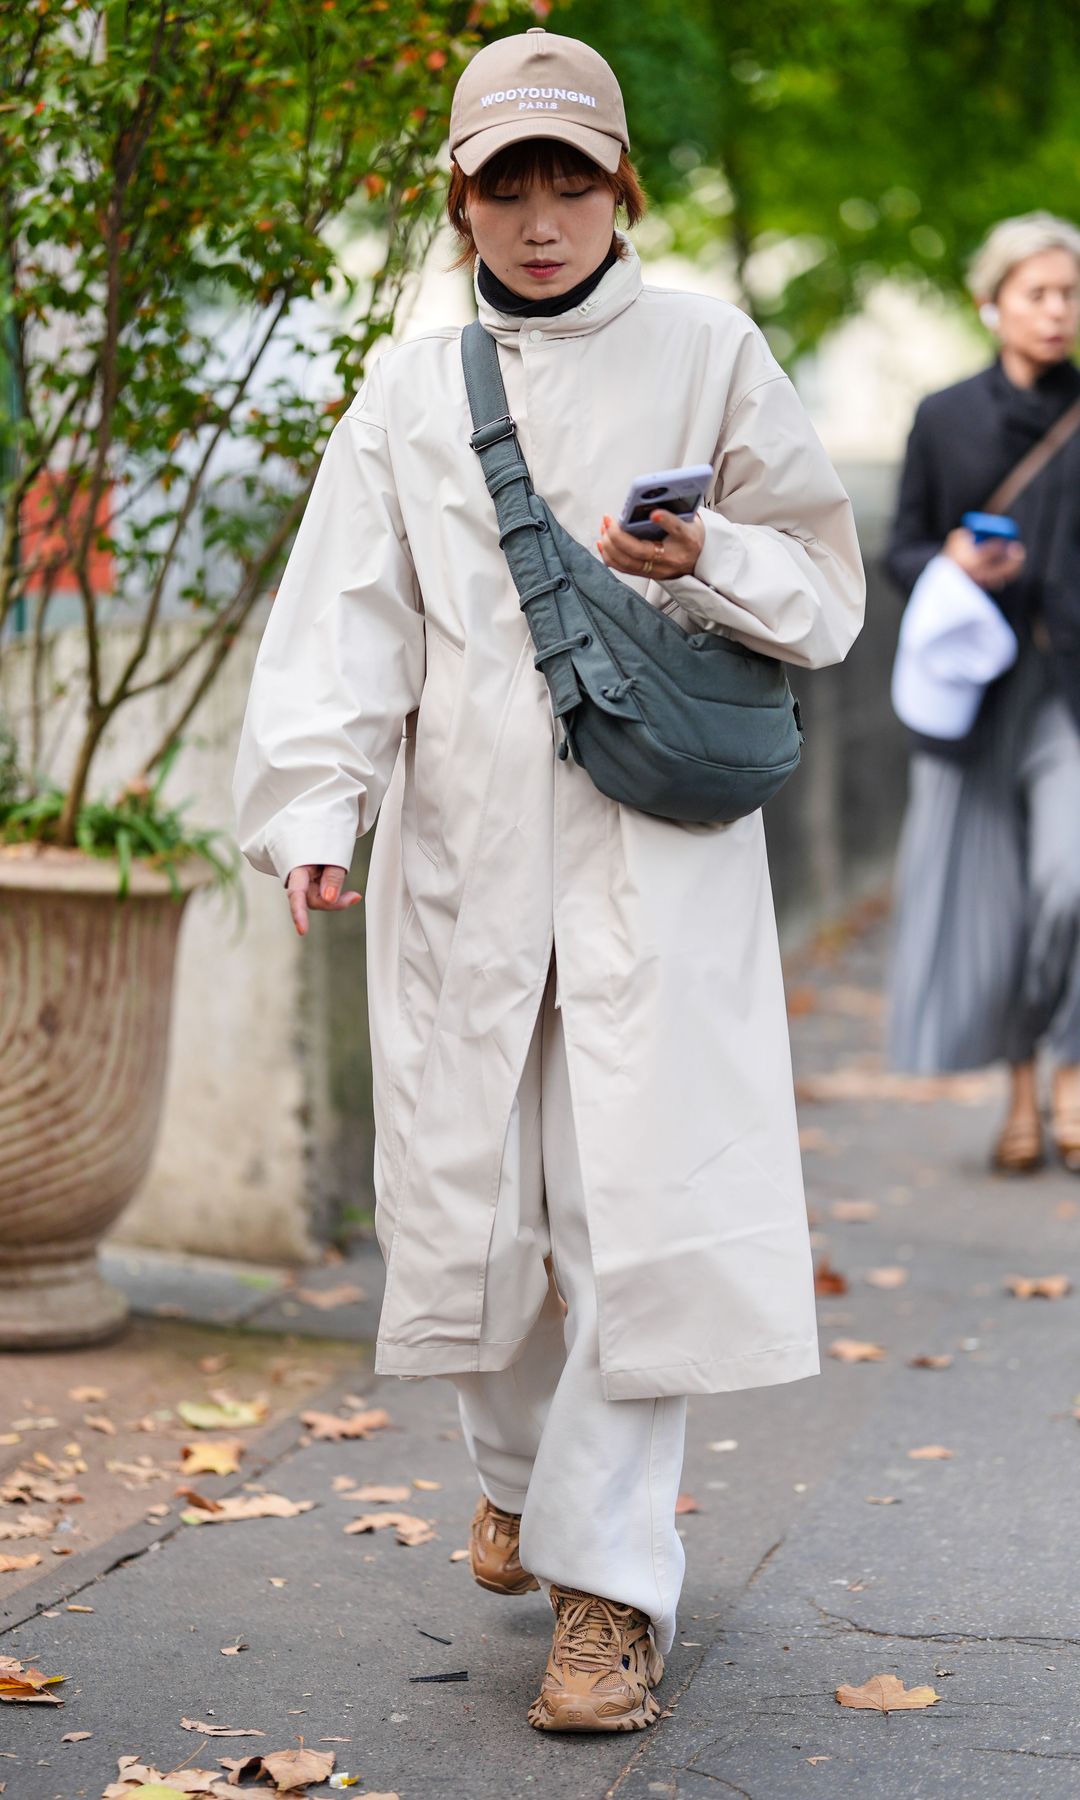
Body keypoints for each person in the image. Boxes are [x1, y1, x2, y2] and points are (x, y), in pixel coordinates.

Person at [234, 27, 864, 1734]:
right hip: (464, 852)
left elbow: (823, 590)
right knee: (480, 1213)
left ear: (617, 185)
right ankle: (521, 1480)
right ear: (461, 201)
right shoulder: (409, 385)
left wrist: (707, 555)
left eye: (566, 176)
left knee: (629, 1214)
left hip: (657, 858)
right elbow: (348, 613)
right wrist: (316, 806)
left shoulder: (711, 349)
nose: (536, 214)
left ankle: (611, 1597)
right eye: (502, 181)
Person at [887, 212, 1080, 1174]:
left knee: (1070, 880)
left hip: (1069, 692)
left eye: (1069, 294)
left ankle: (1073, 1070)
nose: (1056, 312)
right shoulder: (944, 415)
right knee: (997, 906)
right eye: (1038, 293)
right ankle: (1019, 1088)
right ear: (991, 303)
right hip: (978, 690)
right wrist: (954, 561)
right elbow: (900, 549)